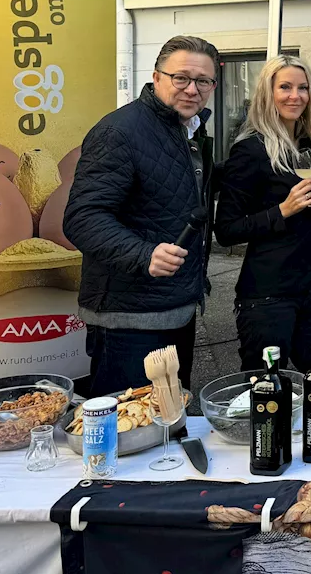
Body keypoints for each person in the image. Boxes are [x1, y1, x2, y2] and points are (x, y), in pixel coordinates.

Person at [64, 36, 218, 396]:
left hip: (176, 306)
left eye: (203, 81)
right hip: (129, 319)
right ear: (157, 77)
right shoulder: (119, 131)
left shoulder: (188, 129)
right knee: (127, 431)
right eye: (181, 78)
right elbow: (82, 218)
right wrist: (144, 254)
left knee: (168, 422)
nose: (192, 89)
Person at [214, 55, 311, 390]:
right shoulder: (251, 150)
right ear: (267, 93)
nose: (295, 95)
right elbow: (226, 229)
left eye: (302, 88)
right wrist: (282, 210)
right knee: (267, 395)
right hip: (268, 294)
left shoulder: (307, 146)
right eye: (285, 87)